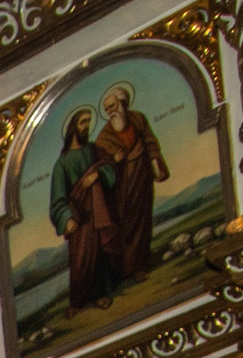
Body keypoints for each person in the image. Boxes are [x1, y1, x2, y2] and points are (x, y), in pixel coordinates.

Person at [50, 107, 123, 314]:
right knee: (82, 258)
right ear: (73, 127)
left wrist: (99, 173)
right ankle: (78, 301)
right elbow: (57, 200)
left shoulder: (93, 149)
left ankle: (101, 294)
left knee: (101, 253)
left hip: (100, 209)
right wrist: (67, 219)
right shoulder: (62, 164)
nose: (87, 126)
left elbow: (109, 166)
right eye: (83, 122)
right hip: (80, 215)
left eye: (89, 121)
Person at [92, 82, 168, 278]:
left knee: (143, 220)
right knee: (128, 224)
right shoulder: (104, 137)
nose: (110, 112)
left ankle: (141, 264)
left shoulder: (138, 119)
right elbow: (101, 165)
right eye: (107, 109)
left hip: (143, 178)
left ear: (123, 103)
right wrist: (113, 161)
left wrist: (158, 163)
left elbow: (150, 141)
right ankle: (128, 268)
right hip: (122, 188)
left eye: (113, 106)